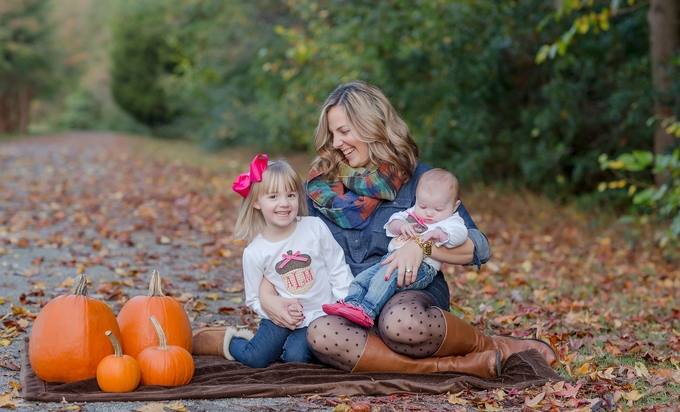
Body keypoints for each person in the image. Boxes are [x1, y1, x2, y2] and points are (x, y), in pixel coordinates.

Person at [260, 80, 558, 378]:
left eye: (344, 131)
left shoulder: (420, 180)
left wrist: (421, 246)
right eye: (332, 134)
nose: (336, 143)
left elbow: (479, 247)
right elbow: (283, 247)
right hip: (351, 299)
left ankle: (491, 345)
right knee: (320, 334)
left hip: (409, 293)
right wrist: (268, 298)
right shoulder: (320, 187)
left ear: (372, 126)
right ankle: (453, 365)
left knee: (401, 323)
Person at [192, 154, 353, 367]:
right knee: (255, 358)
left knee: (296, 359)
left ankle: (287, 348)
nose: (284, 203)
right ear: (256, 202)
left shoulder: (314, 227)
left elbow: (337, 269)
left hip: (319, 316)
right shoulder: (255, 252)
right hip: (278, 316)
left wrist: (343, 308)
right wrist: (277, 312)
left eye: (290, 195)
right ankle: (227, 340)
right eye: (273, 197)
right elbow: (253, 299)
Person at [322, 168, 468, 328]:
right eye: (423, 206)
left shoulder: (450, 222)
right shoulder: (414, 213)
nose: (429, 214)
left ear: (455, 206)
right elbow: (393, 222)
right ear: (417, 199)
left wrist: (440, 234)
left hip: (420, 268)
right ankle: (351, 305)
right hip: (390, 259)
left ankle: (367, 311)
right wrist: (401, 225)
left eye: (438, 209)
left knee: (384, 278)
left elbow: (460, 233)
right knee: (361, 280)